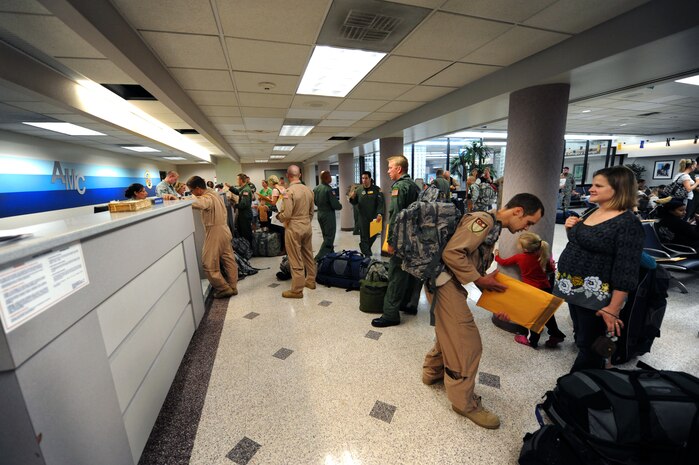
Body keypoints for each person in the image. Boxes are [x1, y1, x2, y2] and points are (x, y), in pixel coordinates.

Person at [422, 193, 545, 430]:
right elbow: (452, 253)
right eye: (528, 222)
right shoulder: (484, 222)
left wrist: (487, 289)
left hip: (448, 282)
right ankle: (463, 403)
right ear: (518, 211)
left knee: (451, 332)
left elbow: (466, 258)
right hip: (443, 283)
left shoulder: (492, 226)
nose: (525, 228)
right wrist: (479, 280)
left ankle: (432, 371)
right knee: (467, 344)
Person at [553, 166, 645, 373]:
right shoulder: (594, 210)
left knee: (591, 345)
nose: (591, 189)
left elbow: (627, 270)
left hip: (596, 294)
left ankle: (579, 387)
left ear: (617, 189)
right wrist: (571, 230)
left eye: (598, 185)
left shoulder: (627, 223)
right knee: (581, 335)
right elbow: (584, 245)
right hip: (574, 289)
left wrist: (613, 308)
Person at [371, 155, 420, 328]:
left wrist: (391, 241)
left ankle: (391, 314)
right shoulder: (413, 185)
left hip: (401, 239)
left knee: (396, 275)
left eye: (390, 167)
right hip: (413, 237)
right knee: (410, 271)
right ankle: (409, 304)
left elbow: (396, 217)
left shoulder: (399, 187)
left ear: (399, 169)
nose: (388, 170)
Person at [494, 232, 566, 348]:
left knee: (533, 317)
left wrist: (496, 255)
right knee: (547, 314)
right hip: (546, 288)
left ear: (524, 248)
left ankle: (532, 341)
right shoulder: (543, 255)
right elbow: (551, 268)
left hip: (531, 291)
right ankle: (556, 334)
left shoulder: (520, 257)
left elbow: (504, 262)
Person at [185, 175, 238, 299]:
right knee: (228, 259)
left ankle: (224, 288)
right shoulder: (214, 193)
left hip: (215, 231)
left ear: (198, 189)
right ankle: (233, 286)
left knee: (208, 263)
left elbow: (201, 203)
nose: (192, 193)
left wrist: (185, 198)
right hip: (224, 230)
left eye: (192, 191)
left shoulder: (207, 197)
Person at [277, 165, 316, 298]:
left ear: (288, 176)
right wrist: (305, 221)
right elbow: (311, 212)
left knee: (295, 257)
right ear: (299, 175)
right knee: (308, 254)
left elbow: (287, 214)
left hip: (294, 227)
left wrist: (278, 217)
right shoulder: (309, 190)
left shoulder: (288, 192)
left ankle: (297, 290)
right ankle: (310, 280)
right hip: (306, 225)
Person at [349, 170, 384, 257]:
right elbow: (354, 202)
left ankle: (366, 249)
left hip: (374, 217)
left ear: (370, 179)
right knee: (364, 236)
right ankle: (367, 254)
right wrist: (352, 198)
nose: (364, 180)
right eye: (363, 178)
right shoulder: (358, 190)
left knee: (374, 235)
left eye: (366, 178)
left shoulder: (376, 189)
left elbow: (380, 203)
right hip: (362, 217)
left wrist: (380, 213)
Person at [313, 170, 342, 260]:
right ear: (326, 178)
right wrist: (340, 205)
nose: (331, 178)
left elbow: (315, 202)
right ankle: (318, 258)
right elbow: (336, 205)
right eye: (329, 176)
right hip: (328, 215)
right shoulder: (329, 190)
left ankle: (330, 254)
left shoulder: (316, 189)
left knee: (326, 235)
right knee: (329, 238)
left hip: (320, 213)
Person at [235, 173, 254, 246]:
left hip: (245, 215)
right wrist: (230, 187)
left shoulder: (246, 190)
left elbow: (243, 204)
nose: (237, 181)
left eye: (237, 179)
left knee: (246, 233)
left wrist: (235, 205)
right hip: (243, 215)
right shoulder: (243, 188)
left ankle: (249, 249)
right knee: (243, 232)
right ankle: (247, 248)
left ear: (241, 180)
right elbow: (237, 192)